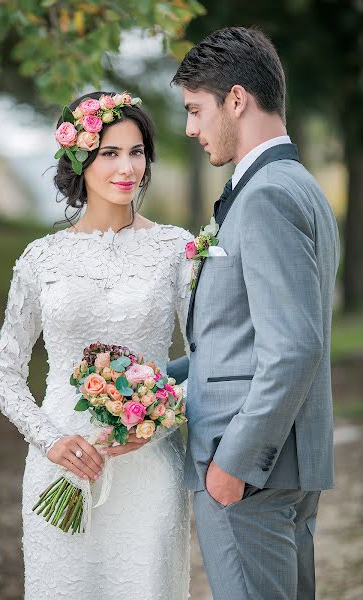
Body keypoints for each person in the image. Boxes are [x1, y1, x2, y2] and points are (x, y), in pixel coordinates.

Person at [0, 91, 193, 600]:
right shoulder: (40, 259)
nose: (127, 167)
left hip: (149, 465)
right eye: (110, 152)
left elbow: (209, 357)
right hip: (59, 463)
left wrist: (161, 416)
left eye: (137, 151)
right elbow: (4, 371)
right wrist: (49, 439)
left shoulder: (176, 250)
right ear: (80, 160)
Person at [171, 27, 340, 600]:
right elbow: (245, 337)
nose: (190, 129)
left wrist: (234, 463)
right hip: (285, 462)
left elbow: (294, 346)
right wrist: (153, 377)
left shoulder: (266, 194)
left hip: (247, 469)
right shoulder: (299, 186)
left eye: (196, 110)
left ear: (236, 100)